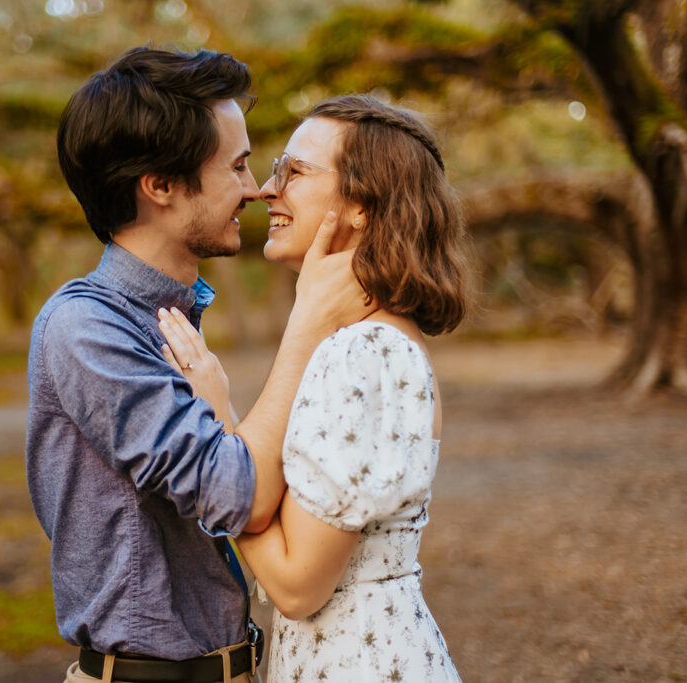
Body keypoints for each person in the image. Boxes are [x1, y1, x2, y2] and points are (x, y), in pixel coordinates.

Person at [25, 48, 369, 683]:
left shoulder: (171, 322)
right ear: (159, 185)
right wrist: (308, 320)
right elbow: (238, 493)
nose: (257, 188)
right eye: (237, 166)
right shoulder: (86, 329)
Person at [160, 94, 469, 681]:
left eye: (295, 171)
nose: (267, 190)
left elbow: (297, 586)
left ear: (363, 206)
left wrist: (216, 419)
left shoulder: (361, 353)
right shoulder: (377, 340)